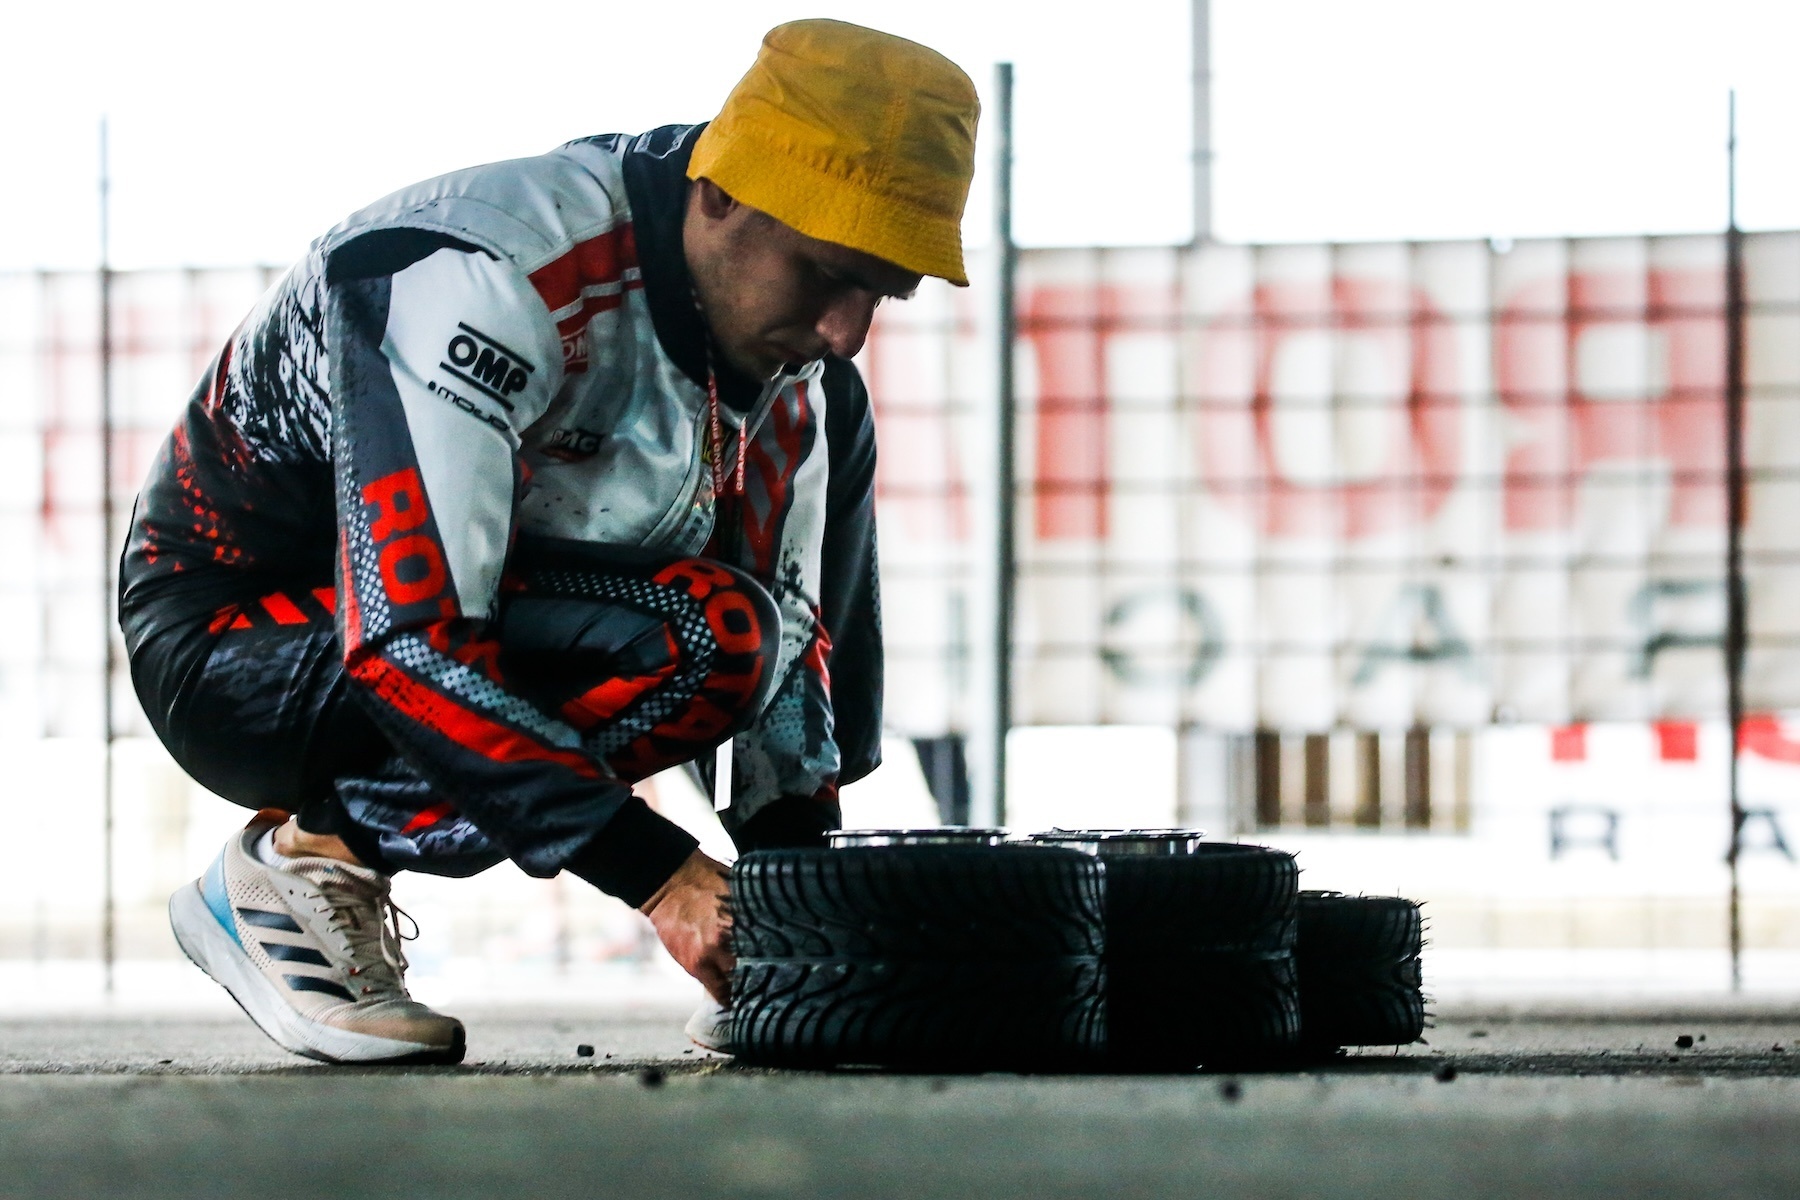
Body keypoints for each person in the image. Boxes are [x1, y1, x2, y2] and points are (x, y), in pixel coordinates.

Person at [119, 19, 979, 1064]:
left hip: (468, 616)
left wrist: (800, 934)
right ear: (720, 196)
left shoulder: (803, 379)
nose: (847, 332)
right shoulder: (483, 270)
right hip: (239, 644)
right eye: (825, 274)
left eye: (882, 294)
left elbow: (791, 666)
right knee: (699, 637)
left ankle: (340, 839)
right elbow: (408, 638)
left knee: (737, 637)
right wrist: (661, 875)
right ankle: (308, 862)